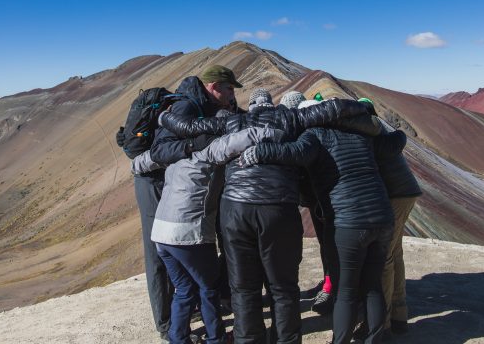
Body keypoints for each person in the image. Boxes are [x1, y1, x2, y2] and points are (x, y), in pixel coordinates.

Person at [158, 92, 379, 344]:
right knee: (283, 288)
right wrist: (362, 108)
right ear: (271, 103)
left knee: (243, 289)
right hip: (279, 208)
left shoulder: (230, 121)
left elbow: (188, 126)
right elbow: (335, 108)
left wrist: (163, 116)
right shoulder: (293, 117)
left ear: (251, 105)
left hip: (236, 210)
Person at [240, 99, 407, 344]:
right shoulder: (360, 135)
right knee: (372, 286)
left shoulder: (315, 135)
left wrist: (260, 151)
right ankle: (375, 339)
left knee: (347, 291)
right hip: (382, 218)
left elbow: (294, 153)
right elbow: (395, 143)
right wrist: (398, 131)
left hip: (349, 222)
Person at [133, 64, 242, 342]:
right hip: (170, 197)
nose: (232, 94)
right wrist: (196, 144)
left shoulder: (206, 107)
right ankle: (201, 334)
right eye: (229, 88)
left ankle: (177, 336)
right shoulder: (186, 108)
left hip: (171, 206)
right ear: (214, 86)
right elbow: (160, 150)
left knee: (185, 287)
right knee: (204, 286)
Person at [151, 124, 284, 344]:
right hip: (188, 232)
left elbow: (143, 161)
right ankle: (217, 338)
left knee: (184, 288)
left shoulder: (175, 156)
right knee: (208, 288)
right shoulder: (209, 150)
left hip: (161, 234)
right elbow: (242, 138)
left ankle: (178, 338)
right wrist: (275, 132)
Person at [358, 98, 422, 336]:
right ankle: (399, 315)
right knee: (395, 254)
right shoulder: (383, 130)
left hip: (395, 196)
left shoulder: (370, 135)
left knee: (384, 258)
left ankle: (382, 323)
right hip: (406, 192)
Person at [279, 91, 333, 314]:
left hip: (323, 197)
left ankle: (331, 288)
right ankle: (328, 281)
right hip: (317, 197)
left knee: (330, 244)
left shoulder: (309, 133)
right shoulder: (309, 130)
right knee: (326, 243)